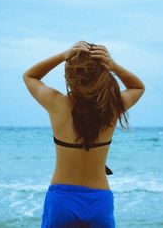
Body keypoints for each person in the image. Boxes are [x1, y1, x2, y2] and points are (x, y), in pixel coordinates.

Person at [23, 40, 145, 227]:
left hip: (62, 200)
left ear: (69, 76)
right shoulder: (112, 108)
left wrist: (64, 55)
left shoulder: (57, 104)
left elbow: (30, 76)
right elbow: (137, 87)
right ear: (103, 75)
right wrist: (112, 64)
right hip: (99, 200)